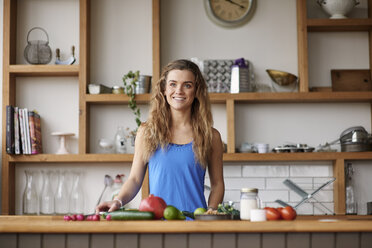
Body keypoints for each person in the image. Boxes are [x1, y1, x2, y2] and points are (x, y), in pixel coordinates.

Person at [96, 59, 224, 214]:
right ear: (164, 89)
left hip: (196, 224)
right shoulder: (147, 132)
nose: (179, 90)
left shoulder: (211, 136)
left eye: (187, 85)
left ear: (196, 91)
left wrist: (211, 210)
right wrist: (117, 201)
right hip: (157, 225)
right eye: (173, 84)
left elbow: (217, 184)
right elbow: (135, 180)